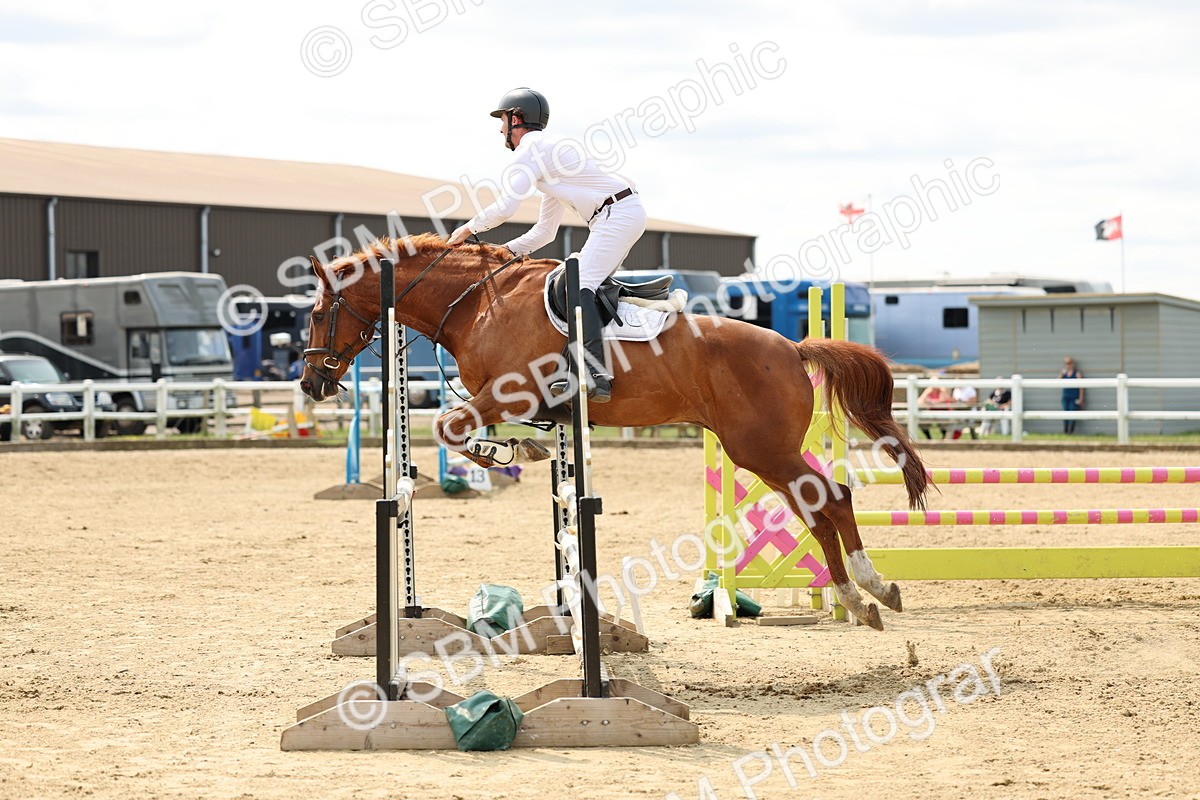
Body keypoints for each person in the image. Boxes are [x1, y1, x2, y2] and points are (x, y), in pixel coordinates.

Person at [446, 88, 648, 403]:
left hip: (616, 213)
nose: (501, 130)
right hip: (618, 212)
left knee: (580, 282)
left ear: (515, 118)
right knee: (572, 280)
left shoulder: (530, 151)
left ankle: (594, 372)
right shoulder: (549, 160)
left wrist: (467, 229)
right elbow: (545, 233)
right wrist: (505, 253)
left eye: (502, 121)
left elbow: (506, 207)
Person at [1060, 357, 1084, 434]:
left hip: (1074, 397)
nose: (1068, 365)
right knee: (1065, 414)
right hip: (1066, 397)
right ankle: (1065, 431)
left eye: (1069, 363)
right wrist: (1061, 374)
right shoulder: (1064, 373)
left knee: (1073, 414)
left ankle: (1071, 432)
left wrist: (1081, 398)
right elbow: (1057, 382)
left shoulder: (1077, 373)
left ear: (1072, 364)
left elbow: (1081, 387)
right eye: (1066, 363)